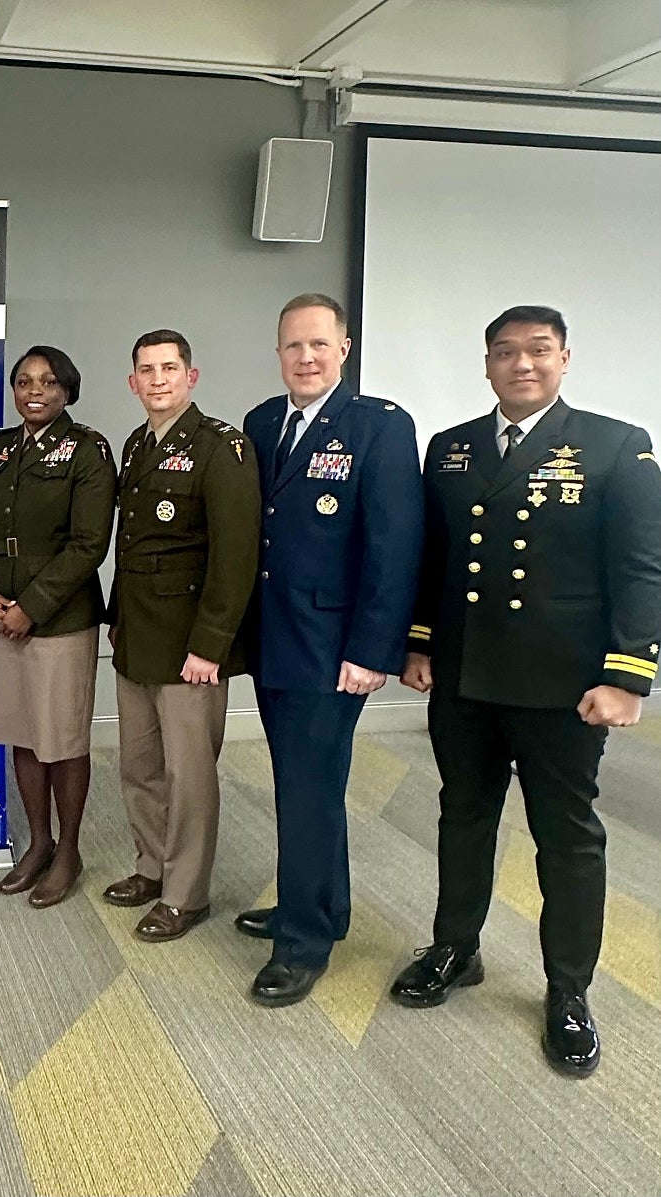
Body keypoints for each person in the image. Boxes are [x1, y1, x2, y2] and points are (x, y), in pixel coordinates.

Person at [392, 305, 661, 1077]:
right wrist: (420, 646)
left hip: (563, 687)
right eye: (505, 353)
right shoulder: (451, 448)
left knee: (567, 838)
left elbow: (642, 568)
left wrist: (627, 674)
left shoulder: (615, 445)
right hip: (468, 678)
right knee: (463, 817)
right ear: (486, 364)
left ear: (565, 358)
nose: (522, 365)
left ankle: (568, 990)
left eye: (538, 351)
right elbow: (434, 560)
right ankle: (456, 947)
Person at [238, 294, 424, 1005]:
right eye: (293, 346)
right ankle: (318, 906)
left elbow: (394, 543)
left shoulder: (379, 426)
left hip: (333, 647)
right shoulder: (262, 421)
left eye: (319, 344)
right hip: (274, 637)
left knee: (310, 791)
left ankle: (303, 943)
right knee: (299, 783)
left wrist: (374, 648)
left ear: (344, 348)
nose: (306, 357)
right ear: (279, 352)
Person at [105, 329, 260, 942]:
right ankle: (151, 867)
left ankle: (185, 892)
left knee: (189, 774)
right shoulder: (136, 444)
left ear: (190, 377)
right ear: (133, 382)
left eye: (170, 367)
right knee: (140, 765)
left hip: (191, 647)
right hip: (137, 636)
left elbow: (235, 556)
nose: (159, 379)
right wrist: (116, 618)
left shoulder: (223, 447)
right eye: (147, 370)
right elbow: (133, 545)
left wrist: (211, 646)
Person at [0, 346, 116, 907]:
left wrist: (31, 605)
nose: (35, 390)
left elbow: (88, 545)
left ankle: (70, 849)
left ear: (67, 391)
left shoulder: (88, 451)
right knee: (23, 734)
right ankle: (39, 843)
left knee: (63, 739)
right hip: (2, 617)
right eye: (25, 381)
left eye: (49, 382)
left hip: (58, 621)